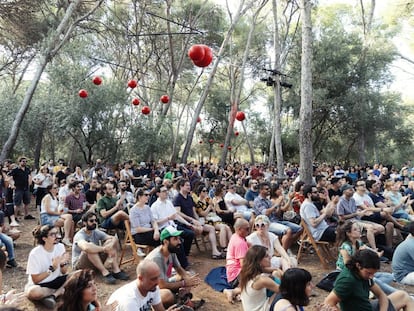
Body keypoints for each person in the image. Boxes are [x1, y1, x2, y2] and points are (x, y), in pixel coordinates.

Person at [323, 249, 414, 311]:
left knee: (403, 296)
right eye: (369, 273)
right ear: (358, 265)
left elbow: (381, 295)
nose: (371, 276)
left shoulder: (363, 274)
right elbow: (328, 302)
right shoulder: (347, 280)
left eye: (373, 273)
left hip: (368, 307)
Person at [146, 226, 201, 307]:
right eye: (175, 239)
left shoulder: (171, 251)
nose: (179, 242)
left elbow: (179, 269)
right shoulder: (156, 258)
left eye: (178, 238)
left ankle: (181, 299)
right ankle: (180, 300)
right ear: (166, 242)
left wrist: (188, 279)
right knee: (167, 295)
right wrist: (184, 283)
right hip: (151, 291)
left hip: (165, 283)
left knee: (188, 274)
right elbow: (161, 285)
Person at [336, 221, 397, 294]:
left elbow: (367, 249)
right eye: (355, 229)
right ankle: (396, 292)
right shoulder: (345, 247)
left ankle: (367, 287)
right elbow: (348, 265)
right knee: (373, 280)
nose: (358, 230)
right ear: (348, 233)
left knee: (389, 276)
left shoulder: (358, 242)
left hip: (359, 271)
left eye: (358, 228)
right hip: (349, 273)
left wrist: (375, 253)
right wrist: (359, 253)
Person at [72, 212, 129, 284]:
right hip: (80, 266)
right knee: (90, 247)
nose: (94, 222)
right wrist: (104, 249)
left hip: (93, 262)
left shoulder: (95, 231)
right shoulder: (79, 235)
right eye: (91, 221)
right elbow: (86, 247)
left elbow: (113, 238)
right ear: (84, 223)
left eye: (96, 220)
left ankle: (116, 271)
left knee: (110, 242)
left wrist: (110, 245)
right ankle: (105, 273)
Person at [173, 179, 224, 260]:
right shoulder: (177, 198)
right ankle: (185, 255)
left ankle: (215, 252)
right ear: (181, 187)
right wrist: (191, 220)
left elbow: (194, 212)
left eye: (189, 185)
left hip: (193, 221)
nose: (189, 187)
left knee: (211, 228)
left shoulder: (189, 197)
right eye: (187, 185)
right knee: (193, 231)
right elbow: (178, 213)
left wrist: (198, 221)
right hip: (184, 223)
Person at [106, 260, 183, 311]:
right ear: (140, 278)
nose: (157, 282)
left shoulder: (152, 287)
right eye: (153, 279)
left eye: (158, 277)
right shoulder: (129, 301)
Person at [25, 225, 69, 309]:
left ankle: (53, 295)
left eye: (57, 233)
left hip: (56, 280)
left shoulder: (60, 247)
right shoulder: (35, 253)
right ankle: (59, 292)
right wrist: (52, 268)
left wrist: (63, 263)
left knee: (79, 275)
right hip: (41, 285)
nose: (57, 236)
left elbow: (64, 272)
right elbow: (35, 280)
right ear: (44, 238)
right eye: (53, 234)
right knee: (33, 292)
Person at [239, 245, 280, 311]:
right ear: (259, 261)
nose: (270, 257)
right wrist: (281, 272)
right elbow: (284, 290)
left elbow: (264, 270)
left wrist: (275, 269)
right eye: (266, 256)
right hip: (262, 309)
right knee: (284, 293)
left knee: (274, 277)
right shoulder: (262, 280)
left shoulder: (248, 275)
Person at [194, 185, 232, 253]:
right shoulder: (198, 202)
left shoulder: (208, 200)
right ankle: (223, 247)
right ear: (199, 192)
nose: (205, 192)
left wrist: (213, 205)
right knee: (223, 227)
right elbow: (203, 214)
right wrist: (209, 207)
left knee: (227, 227)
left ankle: (232, 246)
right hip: (206, 220)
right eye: (204, 191)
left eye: (206, 191)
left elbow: (214, 211)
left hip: (213, 218)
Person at [223, 218, 250, 304]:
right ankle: (235, 291)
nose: (249, 231)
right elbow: (243, 265)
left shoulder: (235, 236)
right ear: (239, 229)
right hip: (236, 276)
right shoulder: (240, 242)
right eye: (247, 229)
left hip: (231, 273)